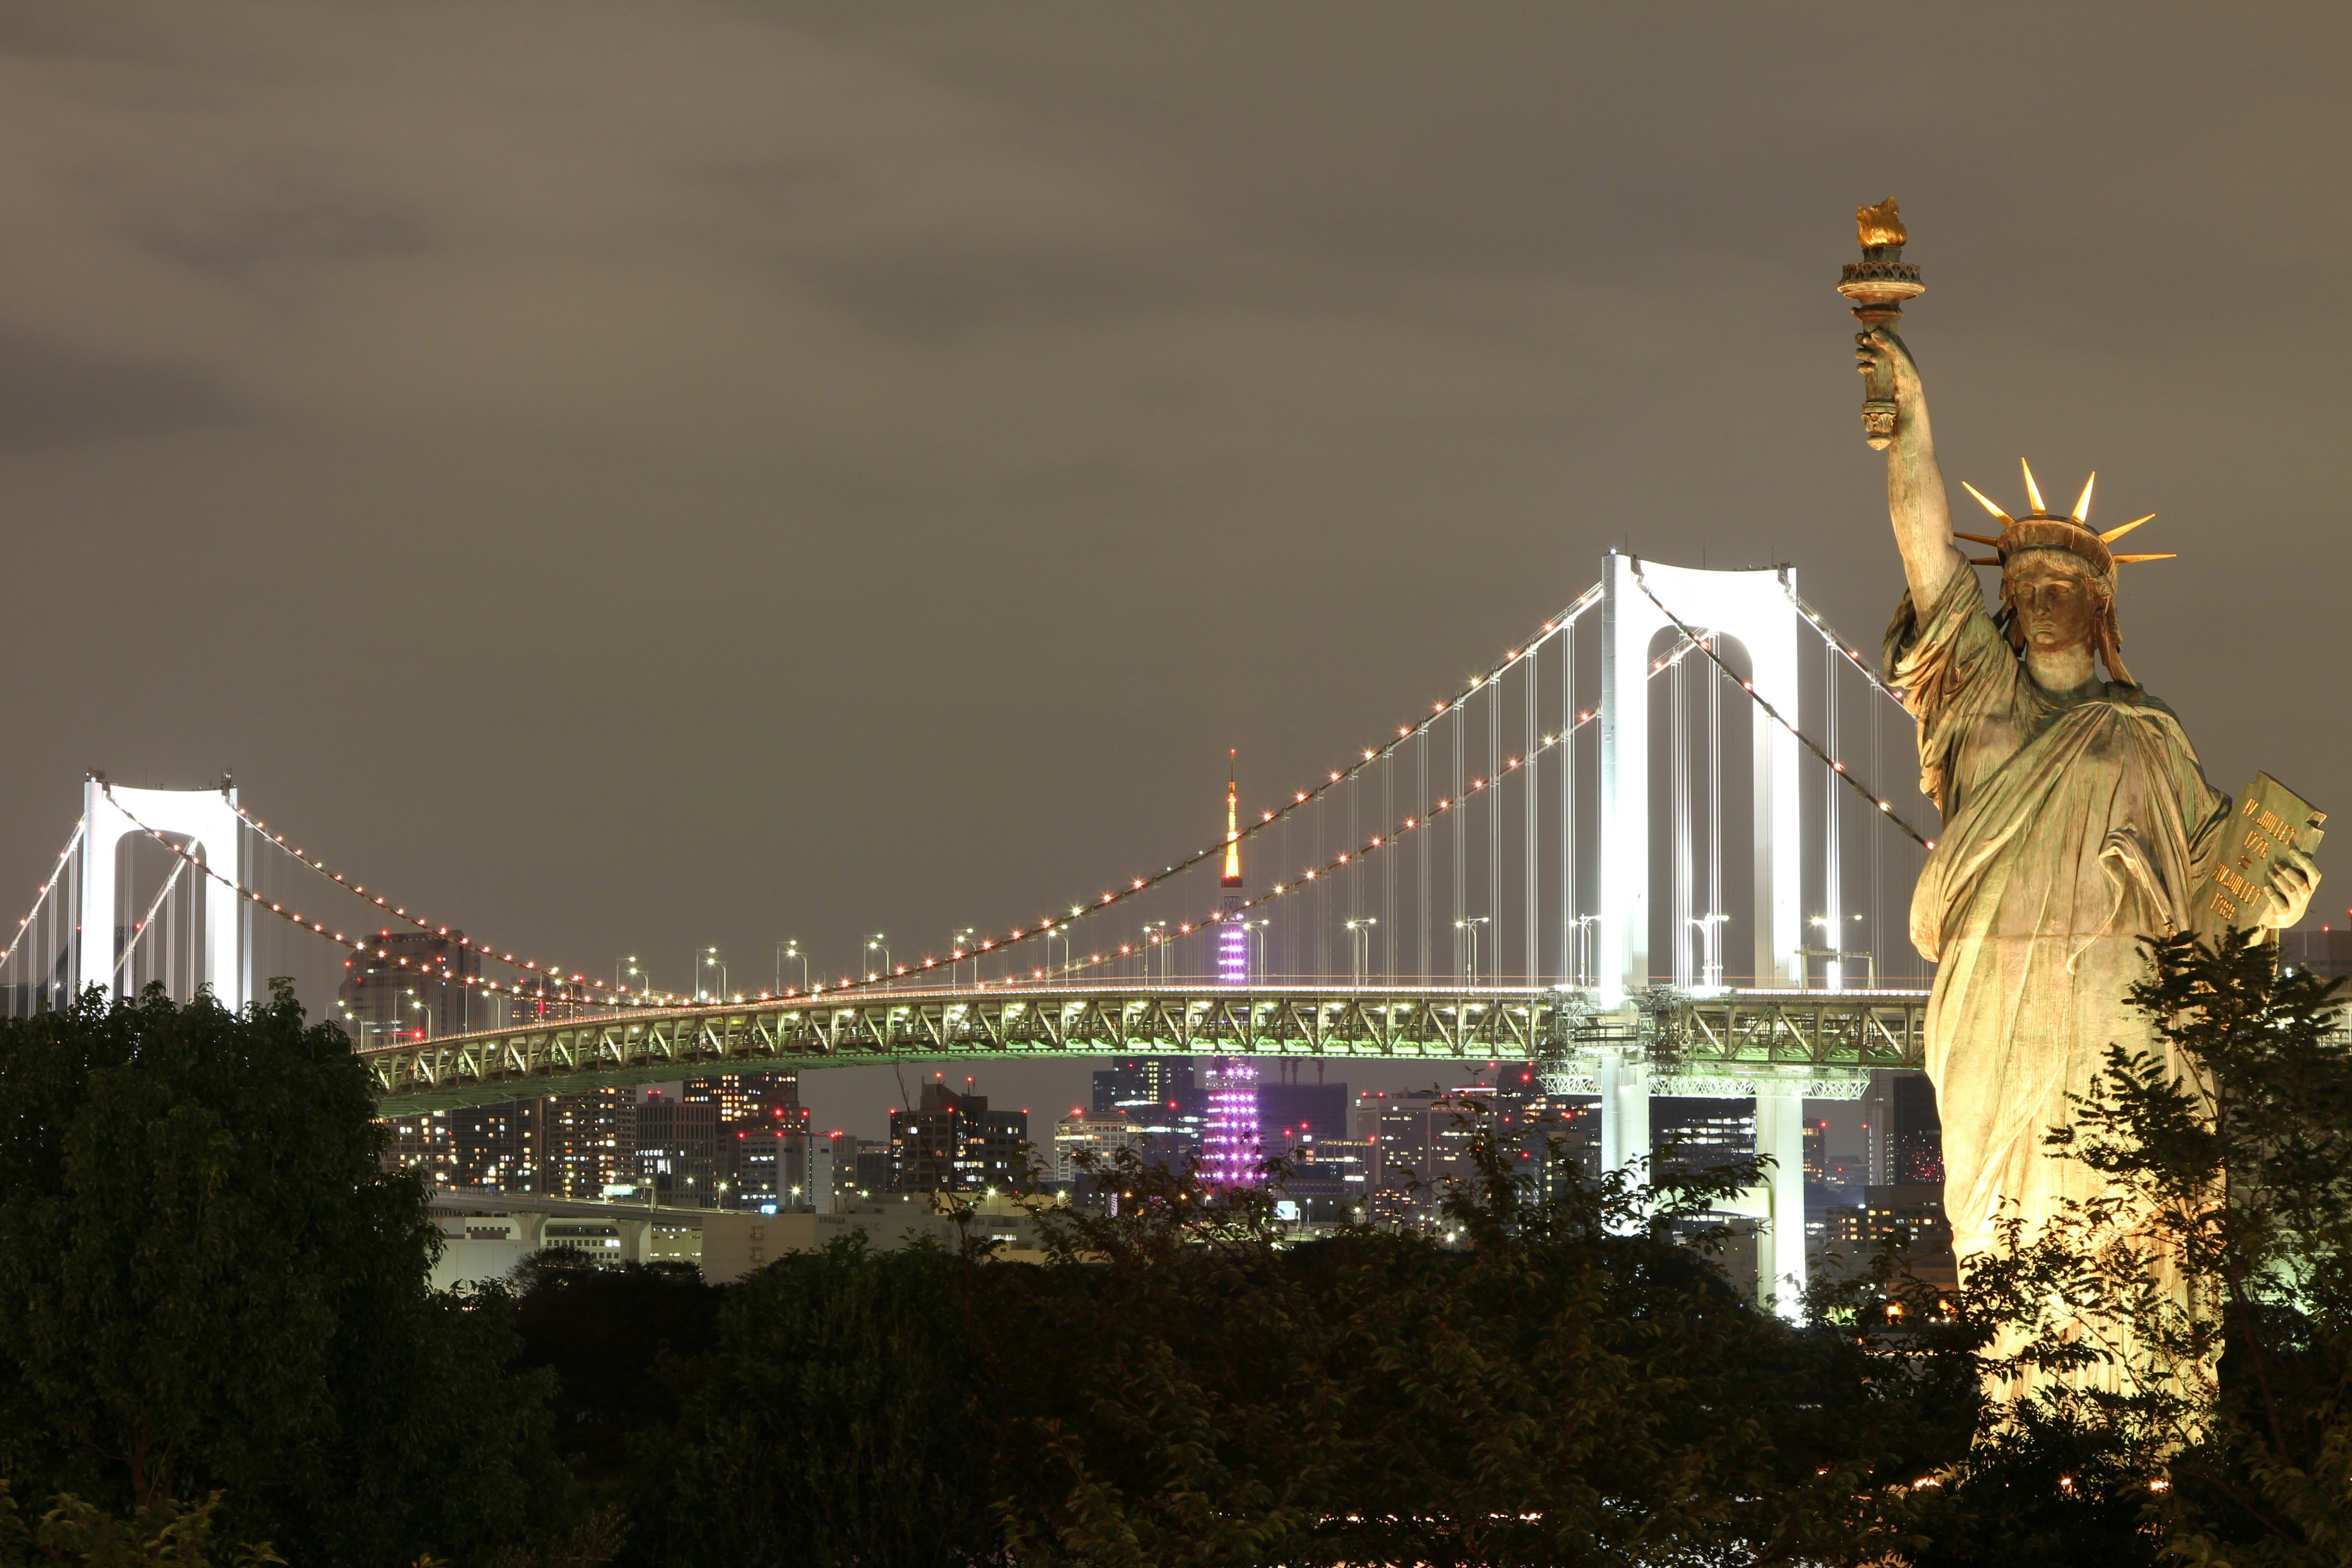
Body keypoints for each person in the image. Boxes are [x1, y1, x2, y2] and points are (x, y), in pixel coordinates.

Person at [1857, 323, 2316, 1398]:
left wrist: (2279, 899)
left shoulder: (2147, 733)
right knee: (1998, 1209)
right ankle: (2020, 1420)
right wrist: (1907, 428)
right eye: (2026, 576)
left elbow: (2218, 884)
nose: (2046, 590)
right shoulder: (1972, 688)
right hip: (1992, 993)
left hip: (2118, 993)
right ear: (2005, 599)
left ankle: (2142, 1421)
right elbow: (1925, 552)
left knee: (2136, 1197)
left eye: (2069, 577)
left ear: (2102, 603)